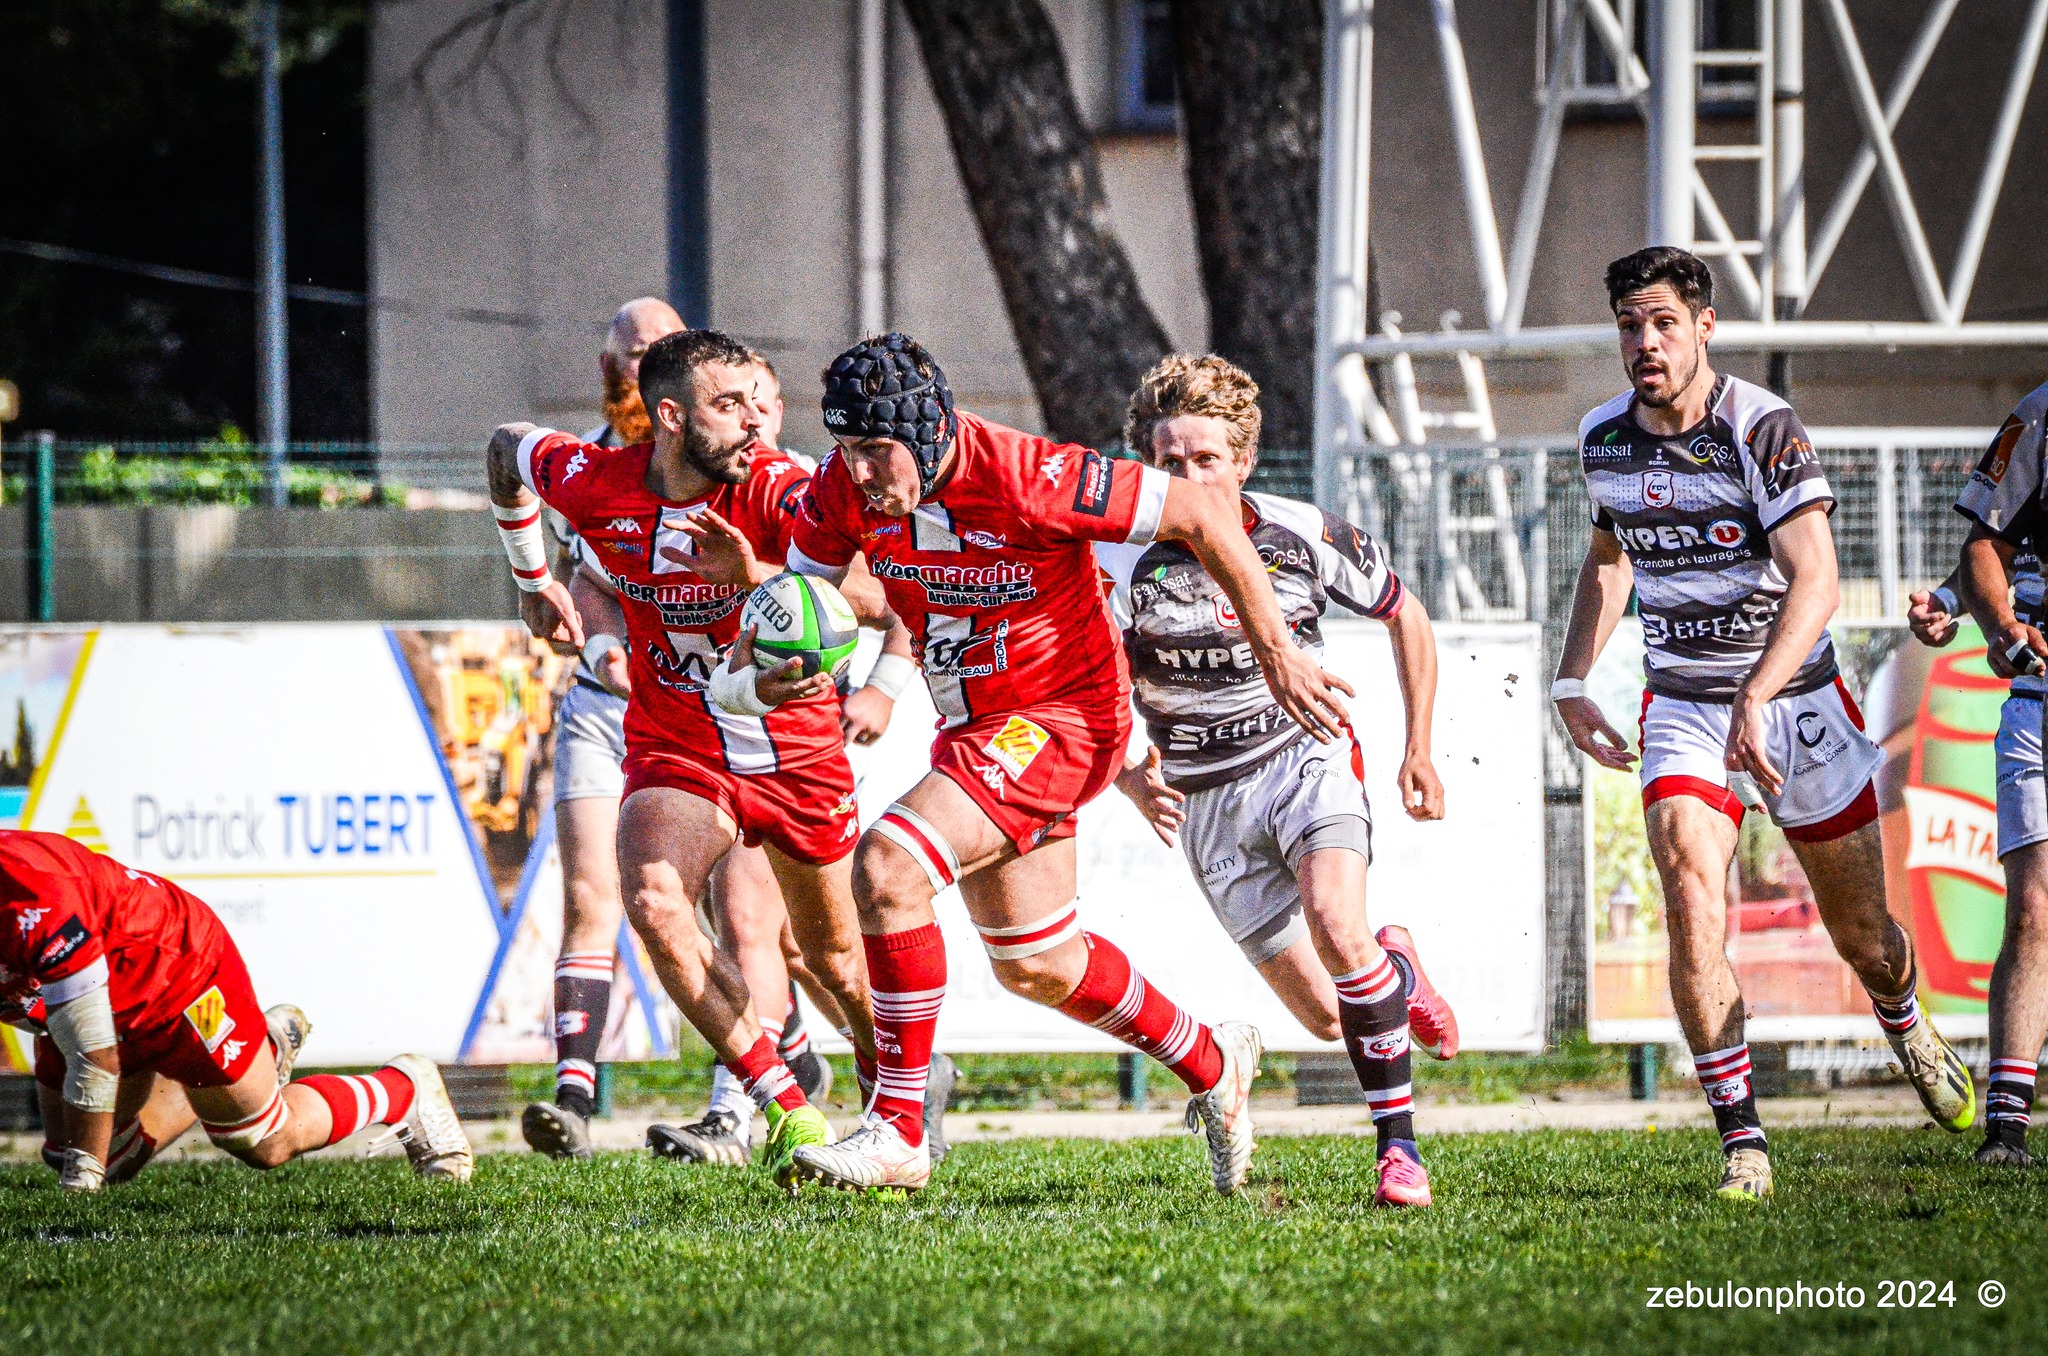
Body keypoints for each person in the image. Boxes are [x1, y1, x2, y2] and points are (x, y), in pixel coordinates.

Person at [700, 332, 1351, 1195]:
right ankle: (1211, 1060)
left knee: (888, 868)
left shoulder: (1029, 473)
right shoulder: (838, 489)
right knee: (1037, 962)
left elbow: (1199, 514)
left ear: (930, 430)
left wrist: (1275, 650)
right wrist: (758, 675)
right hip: (975, 728)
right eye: (847, 449)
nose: (860, 471)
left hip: (1062, 718)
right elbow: (802, 606)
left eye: (876, 449)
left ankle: (898, 1129)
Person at [1551, 247, 1973, 1202]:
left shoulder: (1761, 427)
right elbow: (1611, 559)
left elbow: (1816, 579)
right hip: (1682, 703)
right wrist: (1571, 679)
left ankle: (1904, 1019)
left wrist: (1758, 692)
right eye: (1629, 325)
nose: (1645, 342)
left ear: (1705, 326)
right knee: (1690, 893)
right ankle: (1743, 1141)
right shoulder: (1603, 438)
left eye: (1663, 322)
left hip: (1797, 702)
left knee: (1864, 937)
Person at [487, 327, 886, 1189]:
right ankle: (785, 1109)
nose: (755, 423)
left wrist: (759, 580)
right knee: (653, 900)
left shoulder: (781, 490)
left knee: (833, 960)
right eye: (729, 406)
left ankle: (897, 1089)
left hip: (792, 744)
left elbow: (878, 593)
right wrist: (533, 581)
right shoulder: (597, 482)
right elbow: (505, 448)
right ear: (670, 417)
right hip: (681, 739)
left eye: (757, 403)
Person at [1100, 354, 1458, 1208]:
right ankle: (1399, 970)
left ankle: (1399, 1154)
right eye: (1170, 461)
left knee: (1338, 924)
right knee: (1331, 1015)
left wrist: (1418, 748)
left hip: (1304, 759)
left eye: (1206, 459)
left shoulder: (1300, 532)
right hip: (1205, 799)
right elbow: (1090, 685)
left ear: (1244, 461)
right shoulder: (1118, 559)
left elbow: (1406, 613)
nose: (1188, 477)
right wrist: (1127, 777)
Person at [1, 831, 471, 1189]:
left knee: (263, 1140)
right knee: (92, 1154)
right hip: (98, 1004)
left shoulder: (34, 895)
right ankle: (257, 1050)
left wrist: (80, 1185)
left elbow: (93, 1058)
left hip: (177, 976)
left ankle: (402, 1089)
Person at [1908, 378, 2048, 1165]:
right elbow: (1986, 545)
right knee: (2032, 909)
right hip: (2039, 700)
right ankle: (2007, 1130)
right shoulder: (2038, 415)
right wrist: (1990, 620)